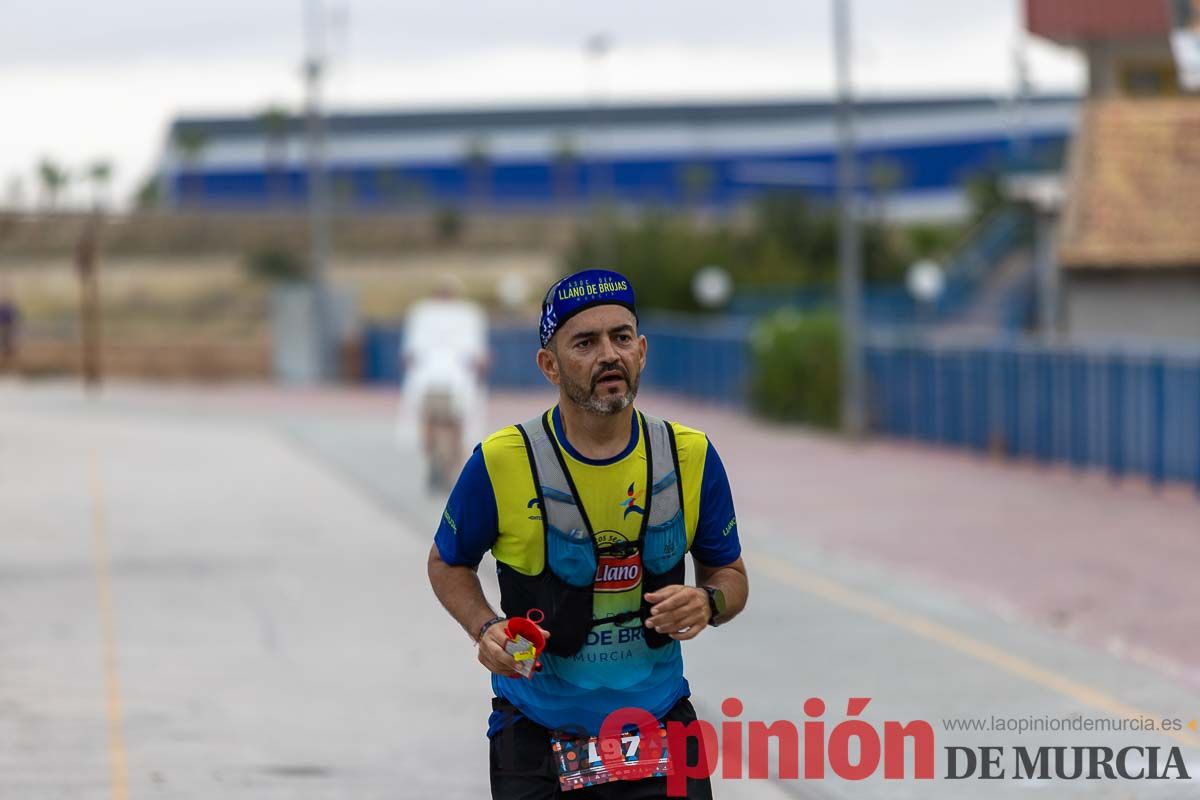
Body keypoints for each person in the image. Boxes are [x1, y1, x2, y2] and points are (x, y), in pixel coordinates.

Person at [427, 268, 748, 798]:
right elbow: (447, 562)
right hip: (534, 731)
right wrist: (485, 628)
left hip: (658, 723)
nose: (609, 355)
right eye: (586, 342)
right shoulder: (502, 460)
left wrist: (708, 601)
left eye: (621, 337)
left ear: (642, 350)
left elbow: (730, 575)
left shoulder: (690, 455)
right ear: (549, 365)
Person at [400, 274, 489, 489]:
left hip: (449, 382)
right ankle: (440, 465)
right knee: (438, 423)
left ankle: (446, 468)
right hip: (436, 381)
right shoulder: (426, 314)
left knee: (450, 424)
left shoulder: (462, 315)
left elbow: (409, 355)